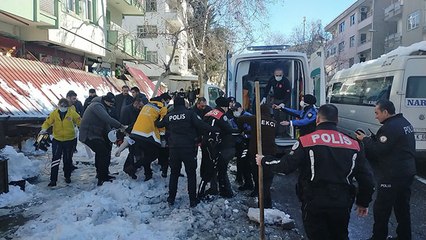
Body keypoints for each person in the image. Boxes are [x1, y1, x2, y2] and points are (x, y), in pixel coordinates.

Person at [256, 104, 375, 239]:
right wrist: (363, 202)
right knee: (340, 235)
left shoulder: (306, 141)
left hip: (314, 201)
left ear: (317, 119)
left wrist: (264, 160)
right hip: (342, 203)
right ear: (337, 121)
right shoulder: (354, 144)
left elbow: (285, 166)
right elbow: (366, 178)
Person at [355, 99, 416, 240]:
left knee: (381, 209)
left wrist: (365, 139)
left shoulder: (388, 128)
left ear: (385, 112)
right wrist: (374, 139)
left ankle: (378, 237)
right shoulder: (404, 123)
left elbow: (377, 150)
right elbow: (392, 145)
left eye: (377, 113)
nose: (376, 116)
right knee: (402, 208)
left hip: (392, 174)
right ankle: (404, 236)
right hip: (407, 172)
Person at [156, 96, 218, 207]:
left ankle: (171, 198)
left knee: (174, 174)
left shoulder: (169, 116)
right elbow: (201, 125)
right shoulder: (189, 114)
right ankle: (192, 200)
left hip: (174, 149)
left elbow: (159, 124)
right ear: (184, 104)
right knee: (191, 174)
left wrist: (156, 118)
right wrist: (216, 129)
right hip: (188, 148)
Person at [79, 92, 127, 186]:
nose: (111, 106)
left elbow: (106, 125)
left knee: (103, 151)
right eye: (110, 104)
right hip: (88, 135)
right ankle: (102, 178)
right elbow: (107, 119)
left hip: (96, 135)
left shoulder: (103, 107)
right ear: (105, 101)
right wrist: (121, 126)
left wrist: (111, 137)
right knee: (103, 153)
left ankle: (102, 174)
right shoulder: (96, 106)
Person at [238, 104, 276, 208]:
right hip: (270, 152)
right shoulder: (274, 122)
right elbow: (269, 133)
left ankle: (260, 198)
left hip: (256, 152)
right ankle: (267, 202)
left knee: (257, 173)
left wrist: (241, 130)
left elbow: (240, 119)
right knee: (267, 176)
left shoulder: (255, 118)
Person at [40, 98, 81, 186]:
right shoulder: (54, 114)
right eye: (61, 106)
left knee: (67, 159)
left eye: (65, 106)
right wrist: (44, 129)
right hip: (57, 139)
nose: (63, 107)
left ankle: (67, 176)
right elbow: (47, 122)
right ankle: (53, 180)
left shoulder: (72, 113)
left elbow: (79, 121)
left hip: (69, 140)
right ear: (58, 106)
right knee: (55, 159)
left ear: (67, 107)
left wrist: (82, 128)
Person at [130, 93, 171, 181]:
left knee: (145, 154)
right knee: (153, 154)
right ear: (163, 100)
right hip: (147, 134)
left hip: (136, 132)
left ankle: (148, 174)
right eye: (167, 101)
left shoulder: (147, 105)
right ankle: (133, 167)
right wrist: (163, 136)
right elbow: (162, 123)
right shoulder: (162, 108)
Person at [201, 97, 235, 198]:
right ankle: (225, 191)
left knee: (210, 166)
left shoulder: (209, 113)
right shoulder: (221, 115)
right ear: (224, 106)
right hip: (215, 145)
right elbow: (228, 129)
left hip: (206, 143)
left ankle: (213, 188)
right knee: (220, 167)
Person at [119, 95, 148, 179]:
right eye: (139, 105)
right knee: (133, 151)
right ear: (135, 103)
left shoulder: (139, 110)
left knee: (137, 151)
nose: (140, 107)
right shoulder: (126, 110)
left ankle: (133, 167)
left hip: (138, 133)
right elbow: (123, 124)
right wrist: (125, 133)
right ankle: (129, 169)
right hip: (129, 132)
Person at [261, 68, 291, 135]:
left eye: (280, 75)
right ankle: (276, 132)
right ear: (274, 75)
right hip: (276, 99)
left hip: (283, 100)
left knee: (282, 117)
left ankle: (283, 132)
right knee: (275, 116)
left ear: (282, 74)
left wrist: (284, 103)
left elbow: (288, 93)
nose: (278, 77)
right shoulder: (272, 80)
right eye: (277, 75)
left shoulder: (285, 81)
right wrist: (264, 97)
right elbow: (267, 88)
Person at [229, 102, 252, 188]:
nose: (235, 112)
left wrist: (244, 134)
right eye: (233, 110)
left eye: (236, 109)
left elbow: (252, 130)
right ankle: (240, 178)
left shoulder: (248, 116)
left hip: (247, 142)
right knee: (240, 160)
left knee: (246, 162)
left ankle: (248, 182)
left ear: (241, 108)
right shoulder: (233, 119)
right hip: (238, 143)